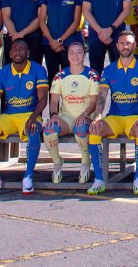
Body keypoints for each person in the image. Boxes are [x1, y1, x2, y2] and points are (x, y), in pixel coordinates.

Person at [0, 38, 51, 194]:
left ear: (28, 52)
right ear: (9, 53)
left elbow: (43, 98)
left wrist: (34, 116)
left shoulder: (38, 69)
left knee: (33, 129)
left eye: (22, 49)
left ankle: (28, 177)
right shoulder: (2, 72)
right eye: (15, 49)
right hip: (9, 116)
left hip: (29, 115)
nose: (18, 52)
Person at [86, 30, 138, 195]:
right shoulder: (108, 70)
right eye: (122, 43)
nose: (125, 46)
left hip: (134, 117)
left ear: (134, 45)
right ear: (117, 46)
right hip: (115, 117)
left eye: (128, 43)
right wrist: (97, 118)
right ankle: (99, 180)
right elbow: (102, 97)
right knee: (95, 130)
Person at [46, 39, 100, 185]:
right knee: (49, 130)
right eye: (72, 52)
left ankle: (84, 162)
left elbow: (94, 103)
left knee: (81, 129)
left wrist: (84, 115)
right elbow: (53, 100)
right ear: (68, 56)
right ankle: (57, 162)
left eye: (79, 52)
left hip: (85, 116)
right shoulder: (60, 75)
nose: (75, 55)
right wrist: (53, 115)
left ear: (84, 55)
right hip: (66, 116)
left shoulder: (92, 75)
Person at [2, 0, 49, 67]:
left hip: (34, 39)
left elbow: (40, 18)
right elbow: (6, 16)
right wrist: (15, 35)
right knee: (12, 74)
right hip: (12, 38)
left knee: (33, 73)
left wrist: (21, 34)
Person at [44, 0, 85, 79]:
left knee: (72, 78)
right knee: (53, 78)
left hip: (71, 42)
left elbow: (76, 21)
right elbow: (42, 20)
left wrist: (60, 40)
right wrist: (52, 41)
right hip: (50, 43)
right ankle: (53, 99)